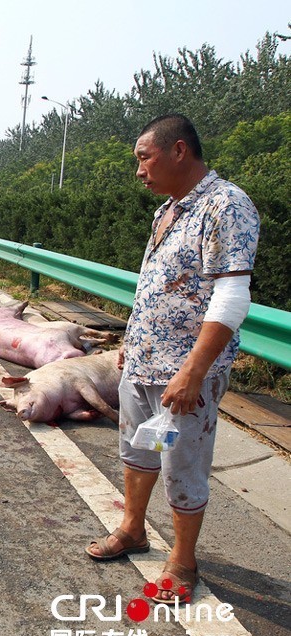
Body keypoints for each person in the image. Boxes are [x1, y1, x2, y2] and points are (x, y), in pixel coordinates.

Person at [85, 114, 259, 603]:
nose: (139, 169)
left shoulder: (227, 205)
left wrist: (193, 371)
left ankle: (183, 563)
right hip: (143, 362)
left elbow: (231, 297)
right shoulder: (169, 210)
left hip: (184, 376)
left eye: (144, 157)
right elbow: (159, 286)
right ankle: (133, 529)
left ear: (178, 150)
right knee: (137, 452)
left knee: (183, 464)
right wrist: (133, 341)